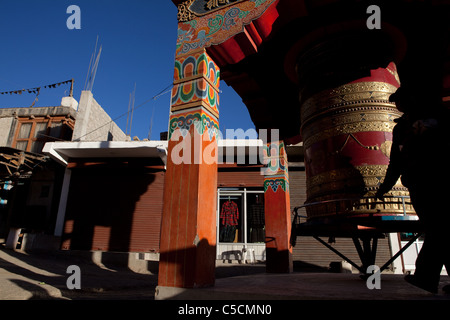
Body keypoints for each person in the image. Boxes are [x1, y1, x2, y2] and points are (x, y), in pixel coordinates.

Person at [376, 86, 450, 294]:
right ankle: (427, 278)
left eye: (401, 101)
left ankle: (425, 277)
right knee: (441, 232)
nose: (397, 106)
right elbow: (396, 162)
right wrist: (385, 187)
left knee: (439, 230)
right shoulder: (401, 128)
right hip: (419, 185)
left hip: (441, 182)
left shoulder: (440, 118)